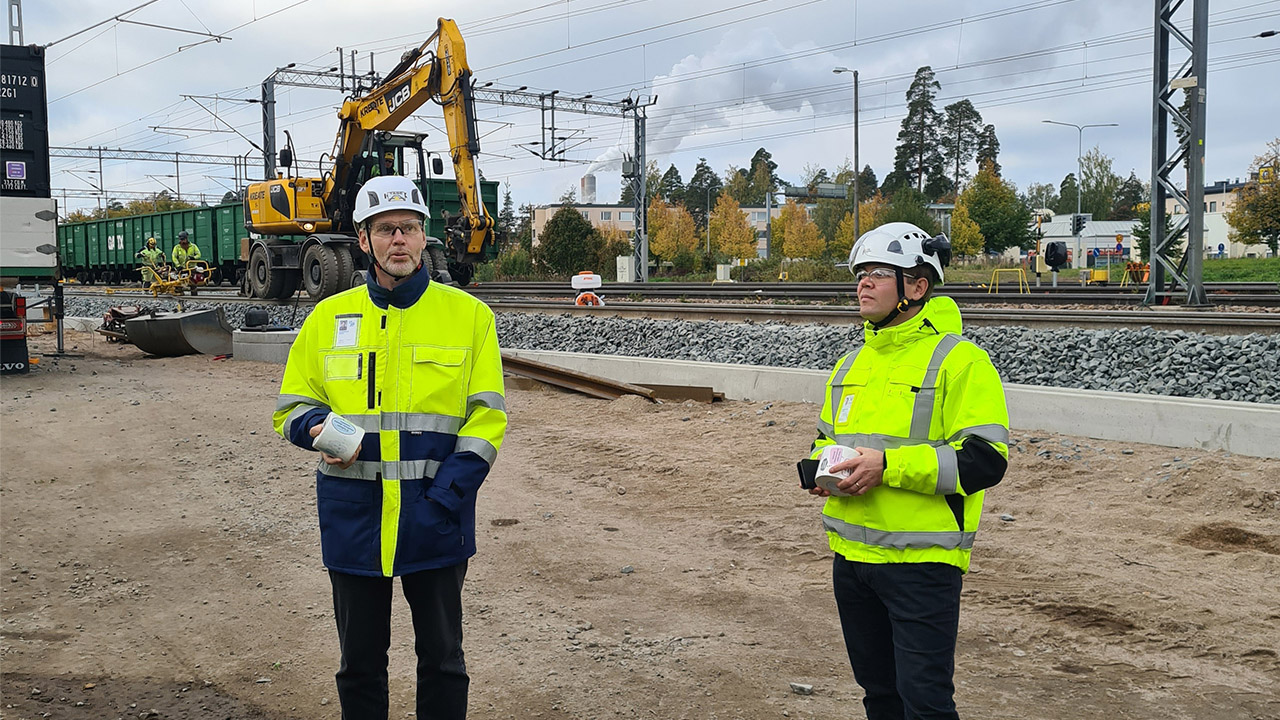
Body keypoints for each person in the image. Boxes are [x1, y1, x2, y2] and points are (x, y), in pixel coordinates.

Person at [273, 174, 507, 720]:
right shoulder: (328, 319)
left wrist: (447, 498)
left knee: (444, 661)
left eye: (408, 228)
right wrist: (314, 429)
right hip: (354, 518)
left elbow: (486, 419)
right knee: (359, 665)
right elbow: (291, 406)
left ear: (425, 237)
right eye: (385, 229)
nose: (398, 239)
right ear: (364, 239)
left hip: (436, 513)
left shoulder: (469, 317)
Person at [797, 222, 1009, 720]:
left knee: (926, 703)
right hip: (852, 561)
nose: (863, 283)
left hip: (922, 566)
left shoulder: (960, 361)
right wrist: (818, 468)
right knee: (880, 696)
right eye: (860, 273)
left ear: (917, 286)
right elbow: (827, 439)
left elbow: (985, 459)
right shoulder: (851, 364)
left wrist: (887, 467)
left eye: (878, 273)